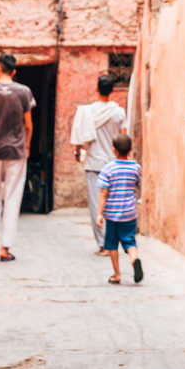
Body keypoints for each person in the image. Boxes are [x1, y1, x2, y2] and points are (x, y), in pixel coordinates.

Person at [0, 53, 34, 262]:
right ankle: (5, 249)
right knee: (12, 197)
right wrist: (26, 146)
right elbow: (28, 125)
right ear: (14, 72)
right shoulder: (24, 92)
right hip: (16, 150)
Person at [70, 74, 127, 255]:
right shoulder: (118, 112)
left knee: (97, 204)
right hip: (114, 163)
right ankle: (113, 241)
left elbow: (79, 135)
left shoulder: (87, 112)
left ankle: (103, 245)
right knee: (113, 203)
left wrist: (78, 152)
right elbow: (123, 137)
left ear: (97, 89)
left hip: (94, 163)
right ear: (112, 91)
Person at [96, 134, 143, 284]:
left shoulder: (108, 169)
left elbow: (104, 193)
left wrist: (99, 214)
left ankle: (117, 274)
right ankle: (134, 259)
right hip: (129, 214)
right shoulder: (135, 167)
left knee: (112, 244)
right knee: (130, 241)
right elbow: (138, 185)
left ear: (114, 150)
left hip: (112, 215)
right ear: (131, 149)